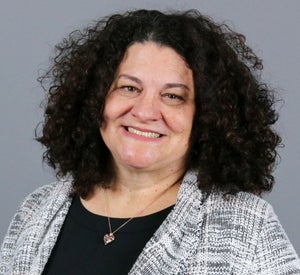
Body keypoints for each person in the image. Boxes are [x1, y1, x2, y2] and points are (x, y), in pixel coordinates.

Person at [1, 9, 300, 275]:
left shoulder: (248, 226)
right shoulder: (36, 209)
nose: (144, 111)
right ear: (94, 100)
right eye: (129, 87)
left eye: (172, 96)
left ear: (207, 117)